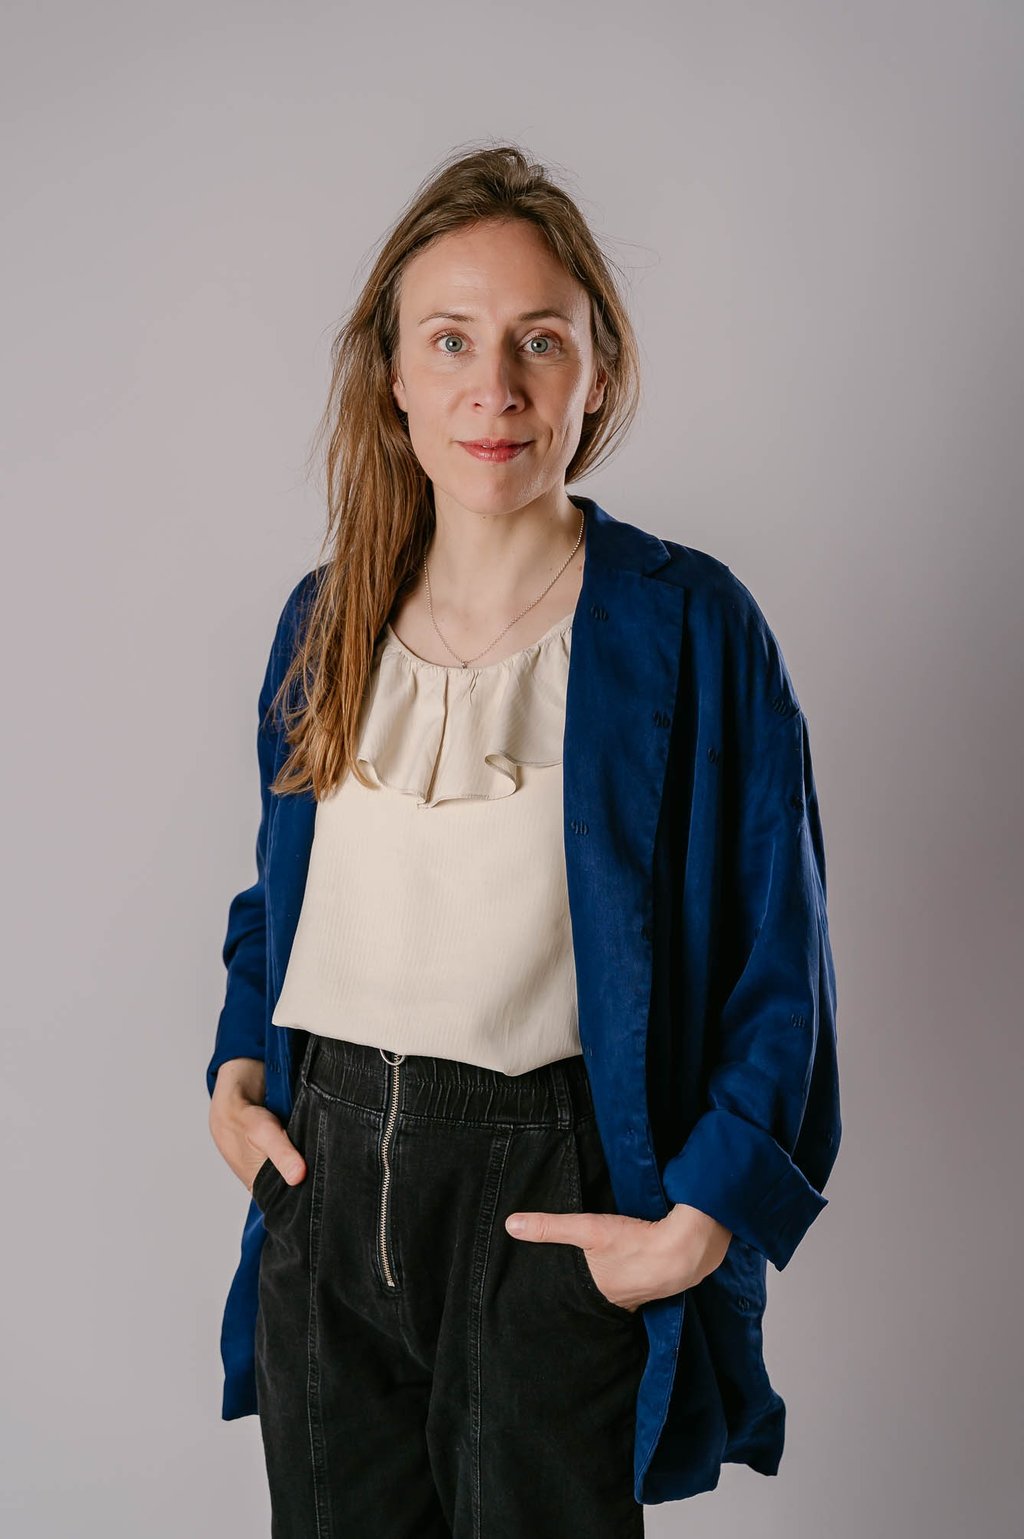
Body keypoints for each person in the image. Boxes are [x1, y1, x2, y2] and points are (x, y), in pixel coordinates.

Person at [206, 143, 841, 1536]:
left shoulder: (689, 627)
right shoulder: (325, 619)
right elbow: (281, 897)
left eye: (538, 341)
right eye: (451, 340)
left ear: (596, 371)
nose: (493, 387)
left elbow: (778, 960)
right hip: (324, 1187)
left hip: (544, 1203)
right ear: (391, 373)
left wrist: (702, 1220)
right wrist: (236, 1075)